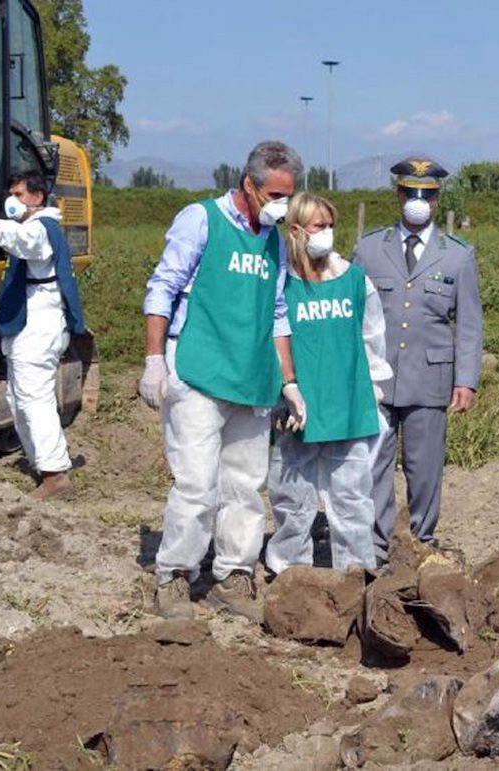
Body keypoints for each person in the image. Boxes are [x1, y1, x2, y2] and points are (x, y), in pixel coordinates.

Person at [139, 140, 303, 622]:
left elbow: (276, 313)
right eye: (274, 194)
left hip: (250, 378)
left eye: (289, 195)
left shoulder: (275, 240)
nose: (282, 204)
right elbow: (163, 285)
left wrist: (288, 382)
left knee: (246, 485)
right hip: (198, 368)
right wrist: (154, 358)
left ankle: (234, 574)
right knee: (196, 483)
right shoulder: (201, 220)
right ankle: (174, 575)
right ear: (248, 185)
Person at [351, 157, 483, 562]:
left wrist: (466, 380)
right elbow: (352, 312)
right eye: (411, 193)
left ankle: (421, 539)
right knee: (373, 463)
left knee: (424, 467)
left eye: (426, 195)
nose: (418, 201)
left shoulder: (457, 255)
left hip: (430, 377)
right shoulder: (369, 248)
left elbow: (469, 324)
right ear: (398, 194)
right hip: (377, 375)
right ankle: (376, 542)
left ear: (438, 201)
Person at [266, 193, 392, 573]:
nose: (327, 234)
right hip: (298, 407)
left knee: (352, 495)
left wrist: (373, 385)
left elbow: (372, 336)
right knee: (292, 495)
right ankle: (291, 571)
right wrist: (280, 392)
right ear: (296, 231)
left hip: (347, 403)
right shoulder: (280, 284)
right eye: (319, 226)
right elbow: (270, 339)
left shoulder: (354, 280)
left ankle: (355, 572)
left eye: (330, 225)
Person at [0, 171, 85, 500]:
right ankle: (42, 463)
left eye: (19, 194)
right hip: (31, 326)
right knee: (20, 399)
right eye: (11, 194)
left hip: (38, 328)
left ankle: (56, 475)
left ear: (38, 197)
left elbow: (23, 241)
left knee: (34, 399)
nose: (12, 201)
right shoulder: (40, 226)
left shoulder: (41, 229)